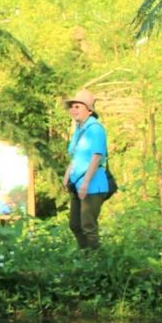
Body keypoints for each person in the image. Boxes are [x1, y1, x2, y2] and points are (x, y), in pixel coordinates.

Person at [64, 87, 113, 250]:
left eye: (78, 106)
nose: (73, 109)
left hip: (92, 185)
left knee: (88, 226)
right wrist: (67, 176)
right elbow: (76, 155)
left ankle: (96, 261)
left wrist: (85, 183)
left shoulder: (95, 129)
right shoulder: (79, 129)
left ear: (89, 110)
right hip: (77, 184)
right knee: (75, 225)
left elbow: (96, 156)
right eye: (72, 106)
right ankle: (85, 256)